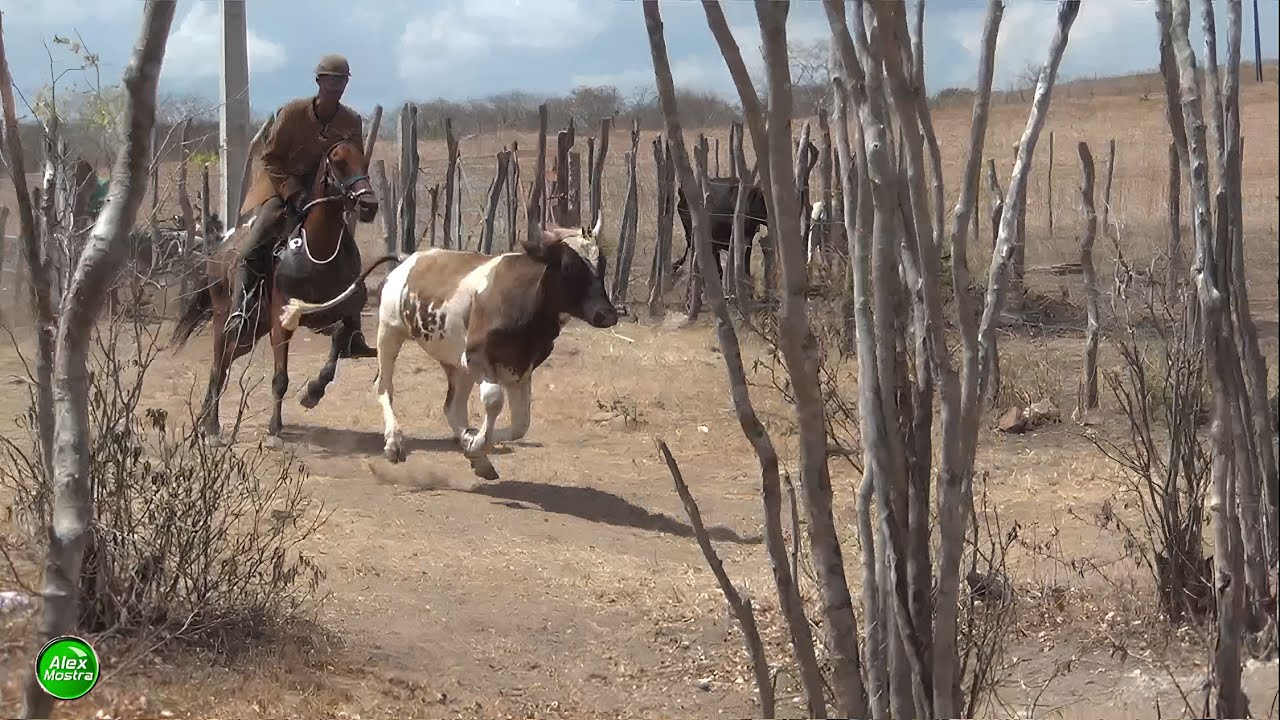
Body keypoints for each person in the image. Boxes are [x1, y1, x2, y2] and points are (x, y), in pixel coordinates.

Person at [227, 52, 376, 357]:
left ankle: (352, 332)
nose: (335, 86)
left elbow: (355, 162)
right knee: (255, 243)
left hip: (324, 193)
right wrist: (294, 192)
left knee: (348, 251)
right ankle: (241, 311)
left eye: (341, 81)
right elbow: (270, 158)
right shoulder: (292, 113)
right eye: (330, 80)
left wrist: (355, 192)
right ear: (319, 81)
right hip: (282, 188)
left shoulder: (351, 121)